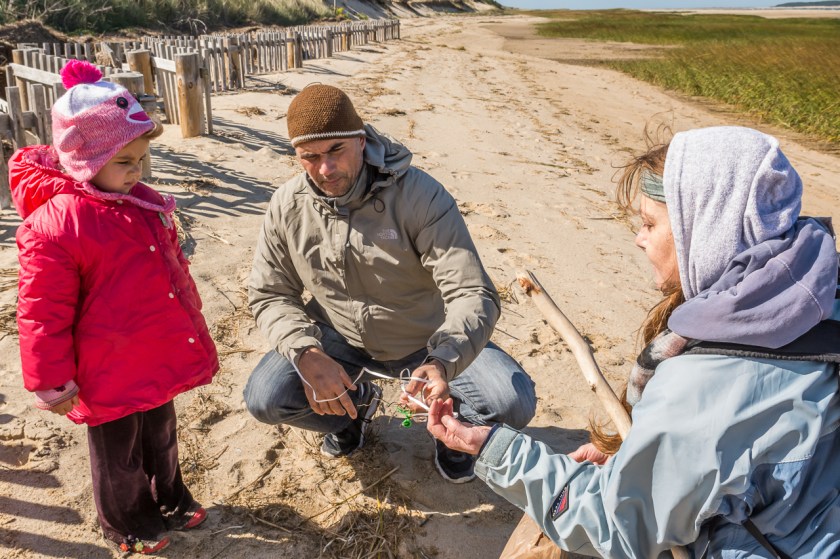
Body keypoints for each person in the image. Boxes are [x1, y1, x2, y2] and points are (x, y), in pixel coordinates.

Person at [428, 126, 840, 557]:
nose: (638, 238)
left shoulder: (706, 381)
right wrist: (641, 461)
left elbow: (614, 524)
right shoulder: (821, 295)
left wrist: (491, 447)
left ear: (708, 230)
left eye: (649, 223)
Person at [243, 84, 536, 483]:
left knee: (511, 401)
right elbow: (270, 293)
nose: (325, 169)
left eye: (336, 150)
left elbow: (472, 291)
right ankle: (352, 410)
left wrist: (443, 361)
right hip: (338, 338)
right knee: (266, 398)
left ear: (361, 141)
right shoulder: (286, 205)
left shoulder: (421, 196)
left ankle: (450, 437)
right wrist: (305, 352)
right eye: (310, 157)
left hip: (425, 338)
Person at [11, 60, 219, 555]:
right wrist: (51, 379)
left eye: (141, 159)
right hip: (104, 369)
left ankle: (169, 497)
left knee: (161, 434)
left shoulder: (143, 204)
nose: (137, 171)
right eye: (125, 161)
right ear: (85, 160)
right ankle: (126, 520)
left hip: (152, 350)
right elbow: (41, 310)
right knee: (117, 453)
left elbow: (171, 272)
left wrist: (187, 324)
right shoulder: (57, 225)